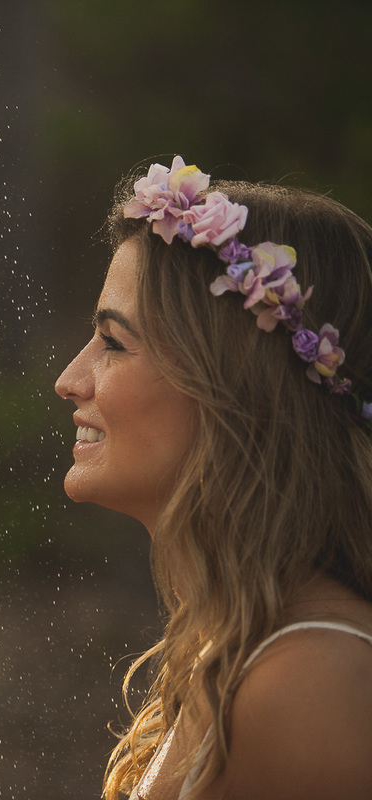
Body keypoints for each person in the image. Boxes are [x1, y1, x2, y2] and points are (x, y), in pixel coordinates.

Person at [55, 156, 372, 799]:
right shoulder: (230, 649)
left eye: (113, 343)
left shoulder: (311, 684)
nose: (69, 380)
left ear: (232, 386)